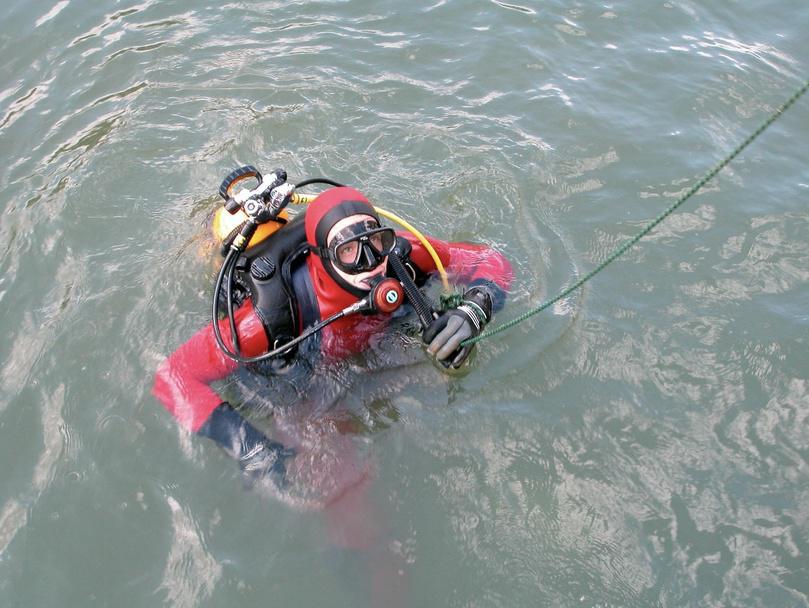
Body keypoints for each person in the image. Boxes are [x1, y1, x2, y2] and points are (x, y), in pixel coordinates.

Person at [152, 184, 512, 605]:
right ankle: (376, 580)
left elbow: (491, 260)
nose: (370, 264)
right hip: (300, 381)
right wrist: (252, 450)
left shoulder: (400, 257)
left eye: (375, 242)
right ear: (320, 258)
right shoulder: (263, 320)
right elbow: (173, 377)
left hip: (370, 350)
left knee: (446, 376)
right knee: (336, 486)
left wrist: (474, 309)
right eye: (349, 252)